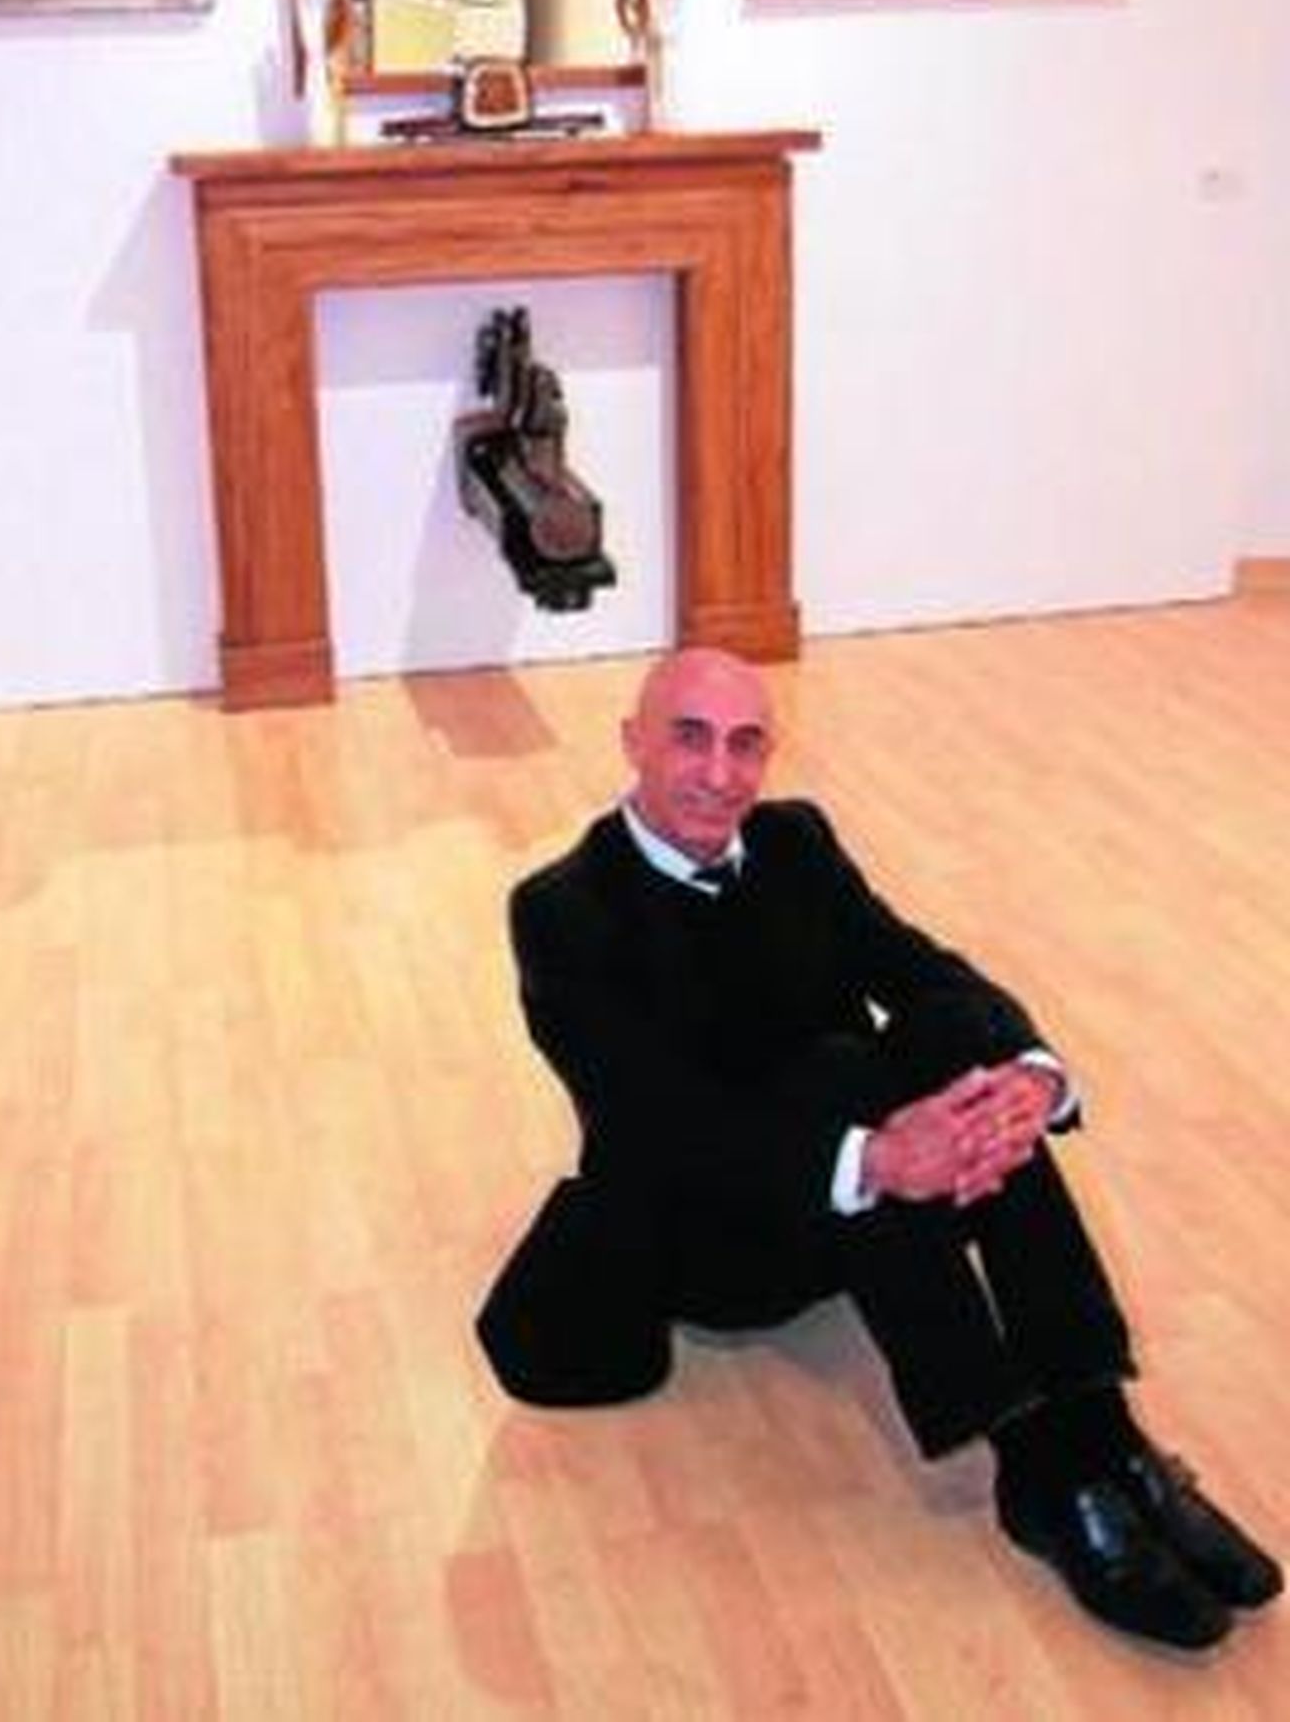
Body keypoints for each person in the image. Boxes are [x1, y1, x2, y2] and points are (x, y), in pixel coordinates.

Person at [476, 647, 1282, 1651]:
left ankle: (1101, 1437)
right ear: (632, 741)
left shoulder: (795, 839)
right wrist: (878, 1159)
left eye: (745, 744)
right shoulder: (561, 908)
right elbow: (659, 1122)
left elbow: (916, 966)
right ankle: (1040, 1464)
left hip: (852, 1188)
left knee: (957, 1051)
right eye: (689, 737)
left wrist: (1028, 1079)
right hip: (720, 1237)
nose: (720, 773)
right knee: (845, 1078)